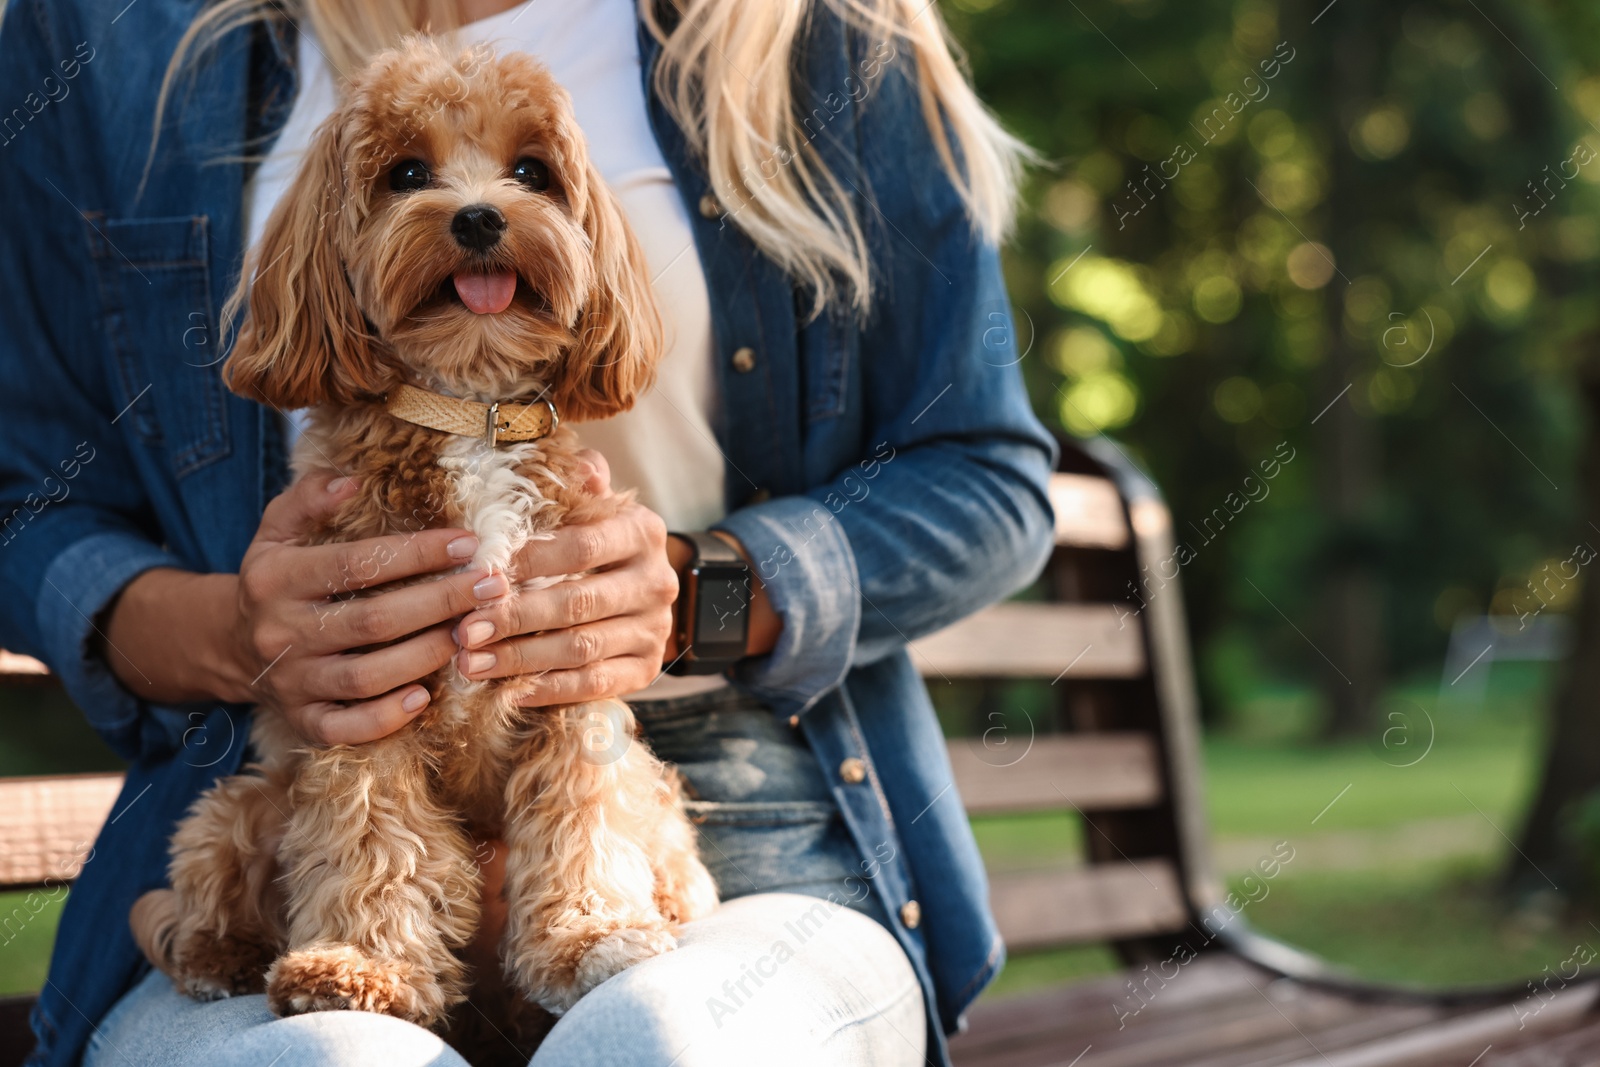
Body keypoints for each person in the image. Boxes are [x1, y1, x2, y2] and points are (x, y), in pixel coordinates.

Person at [0, 0, 1056, 1063]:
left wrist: (699, 596)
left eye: (529, 175)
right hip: (294, 840)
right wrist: (238, 633)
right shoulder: (99, 30)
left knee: (656, 1041)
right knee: (327, 1055)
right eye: (408, 177)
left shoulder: (818, 28)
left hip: (731, 816)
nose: (474, 210)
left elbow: (983, 471)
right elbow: (24, 496)